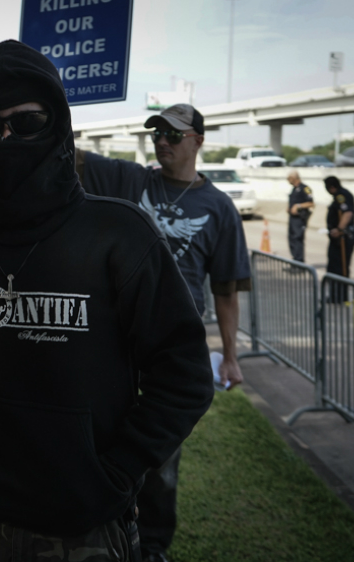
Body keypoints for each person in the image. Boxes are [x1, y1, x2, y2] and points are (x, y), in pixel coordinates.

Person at [0, 40, 214, 562]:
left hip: (84, 530)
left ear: (57, 125)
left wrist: (117, 471)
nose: (7, 138)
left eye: (28, 122)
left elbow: (185, 376)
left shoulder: (119, 235)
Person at [76, 104, 251, 562]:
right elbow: (72, 157)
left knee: (160, 456)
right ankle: (95, 524)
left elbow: (226, 290)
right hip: (113, 339)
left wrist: (230, 356)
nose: (162, 141)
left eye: (173, 134)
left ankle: (151, 548)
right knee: (100, 435)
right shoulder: (132, 181)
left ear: (198, 141)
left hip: (170, 350)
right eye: (157, 133)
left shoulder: (218, 207)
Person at [324, 175, 354, 302]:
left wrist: (339, 229)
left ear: (331, 187)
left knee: (340, 267)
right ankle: (334, 295)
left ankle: (340, 296)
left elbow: (347, 213)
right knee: (333, 267)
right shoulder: (339, 195)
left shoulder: (341, 195)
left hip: (343, 239)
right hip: (337, 239)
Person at [286, 171, 314, 263]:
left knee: (298, 238)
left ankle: (299, 261)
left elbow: (311, 203)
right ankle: (295, 260)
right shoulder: (294, 189)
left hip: (300, 218)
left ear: (294, 178)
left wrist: (298, 206)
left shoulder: (305, 188)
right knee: (291, 238)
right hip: (292, 218)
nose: (288, 180)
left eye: (289, 178)